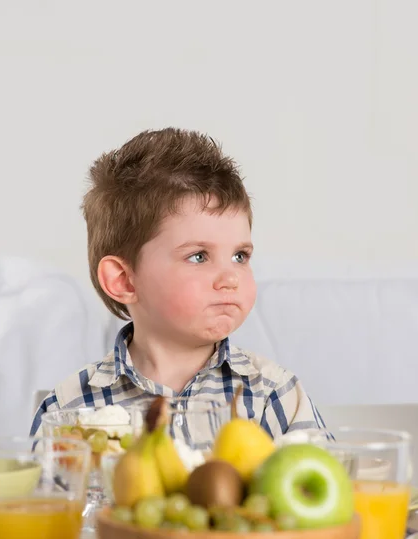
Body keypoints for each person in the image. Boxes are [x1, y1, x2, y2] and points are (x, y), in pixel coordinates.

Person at [30, 128, 325, 439]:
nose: (230, 278)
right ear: (124, 280)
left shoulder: (273, 394)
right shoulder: (69, 409)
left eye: (240, 256)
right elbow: (47, 488)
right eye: (199, 256)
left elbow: (329, 483)